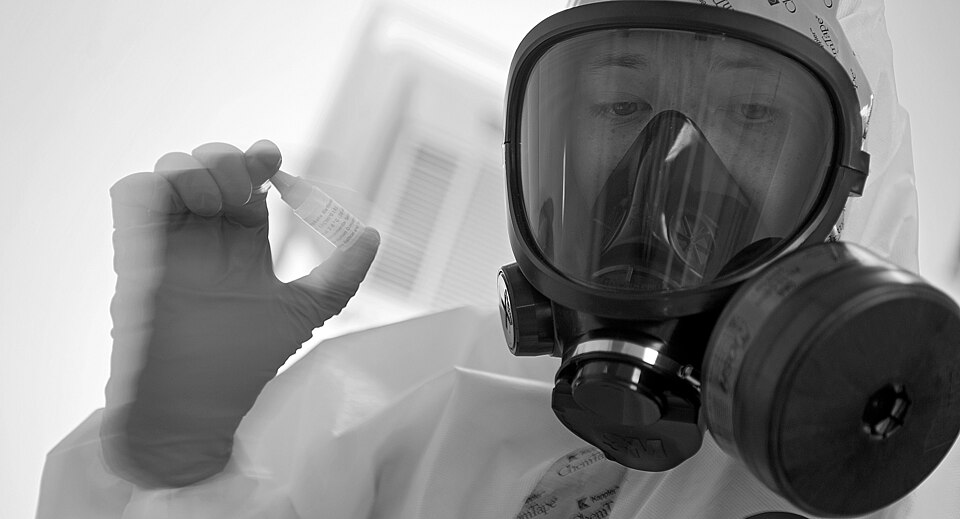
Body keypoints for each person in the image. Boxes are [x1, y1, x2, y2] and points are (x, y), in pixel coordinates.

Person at [36, 1, 960, 518]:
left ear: (848, 191)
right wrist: (180, 463)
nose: (668, 164)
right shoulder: (403, 398)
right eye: (621, 105)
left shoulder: (861, 481)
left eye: (752, 113)